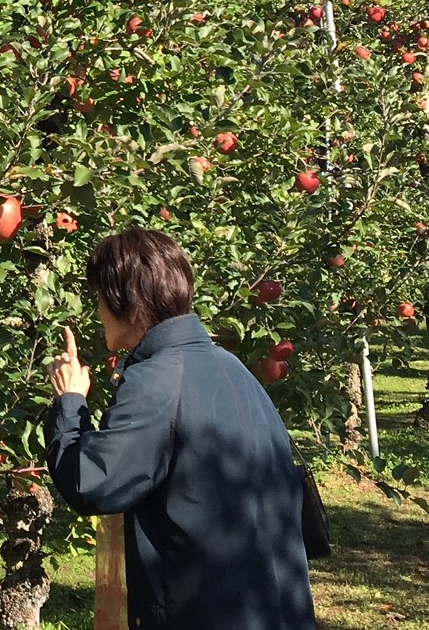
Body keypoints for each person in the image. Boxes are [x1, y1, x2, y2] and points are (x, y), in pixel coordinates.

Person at [45, 228, 316, 630]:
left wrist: (70, 402)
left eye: (102, 298)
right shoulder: (232, 366)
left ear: (134, 310)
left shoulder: (157, 382)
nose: (98, 309)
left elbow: (92, 485)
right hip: (273, 605)